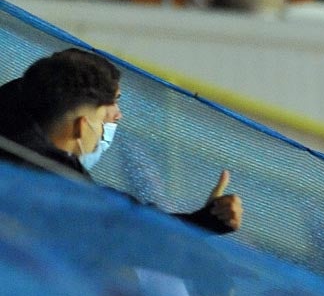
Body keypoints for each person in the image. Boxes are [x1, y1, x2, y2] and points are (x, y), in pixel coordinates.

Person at [0, 48, 242, 234]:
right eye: (110, 104)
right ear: (81, 126)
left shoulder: (15, 113)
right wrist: (204, 222)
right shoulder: (57, 180)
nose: (117, 115)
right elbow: (124, 228)